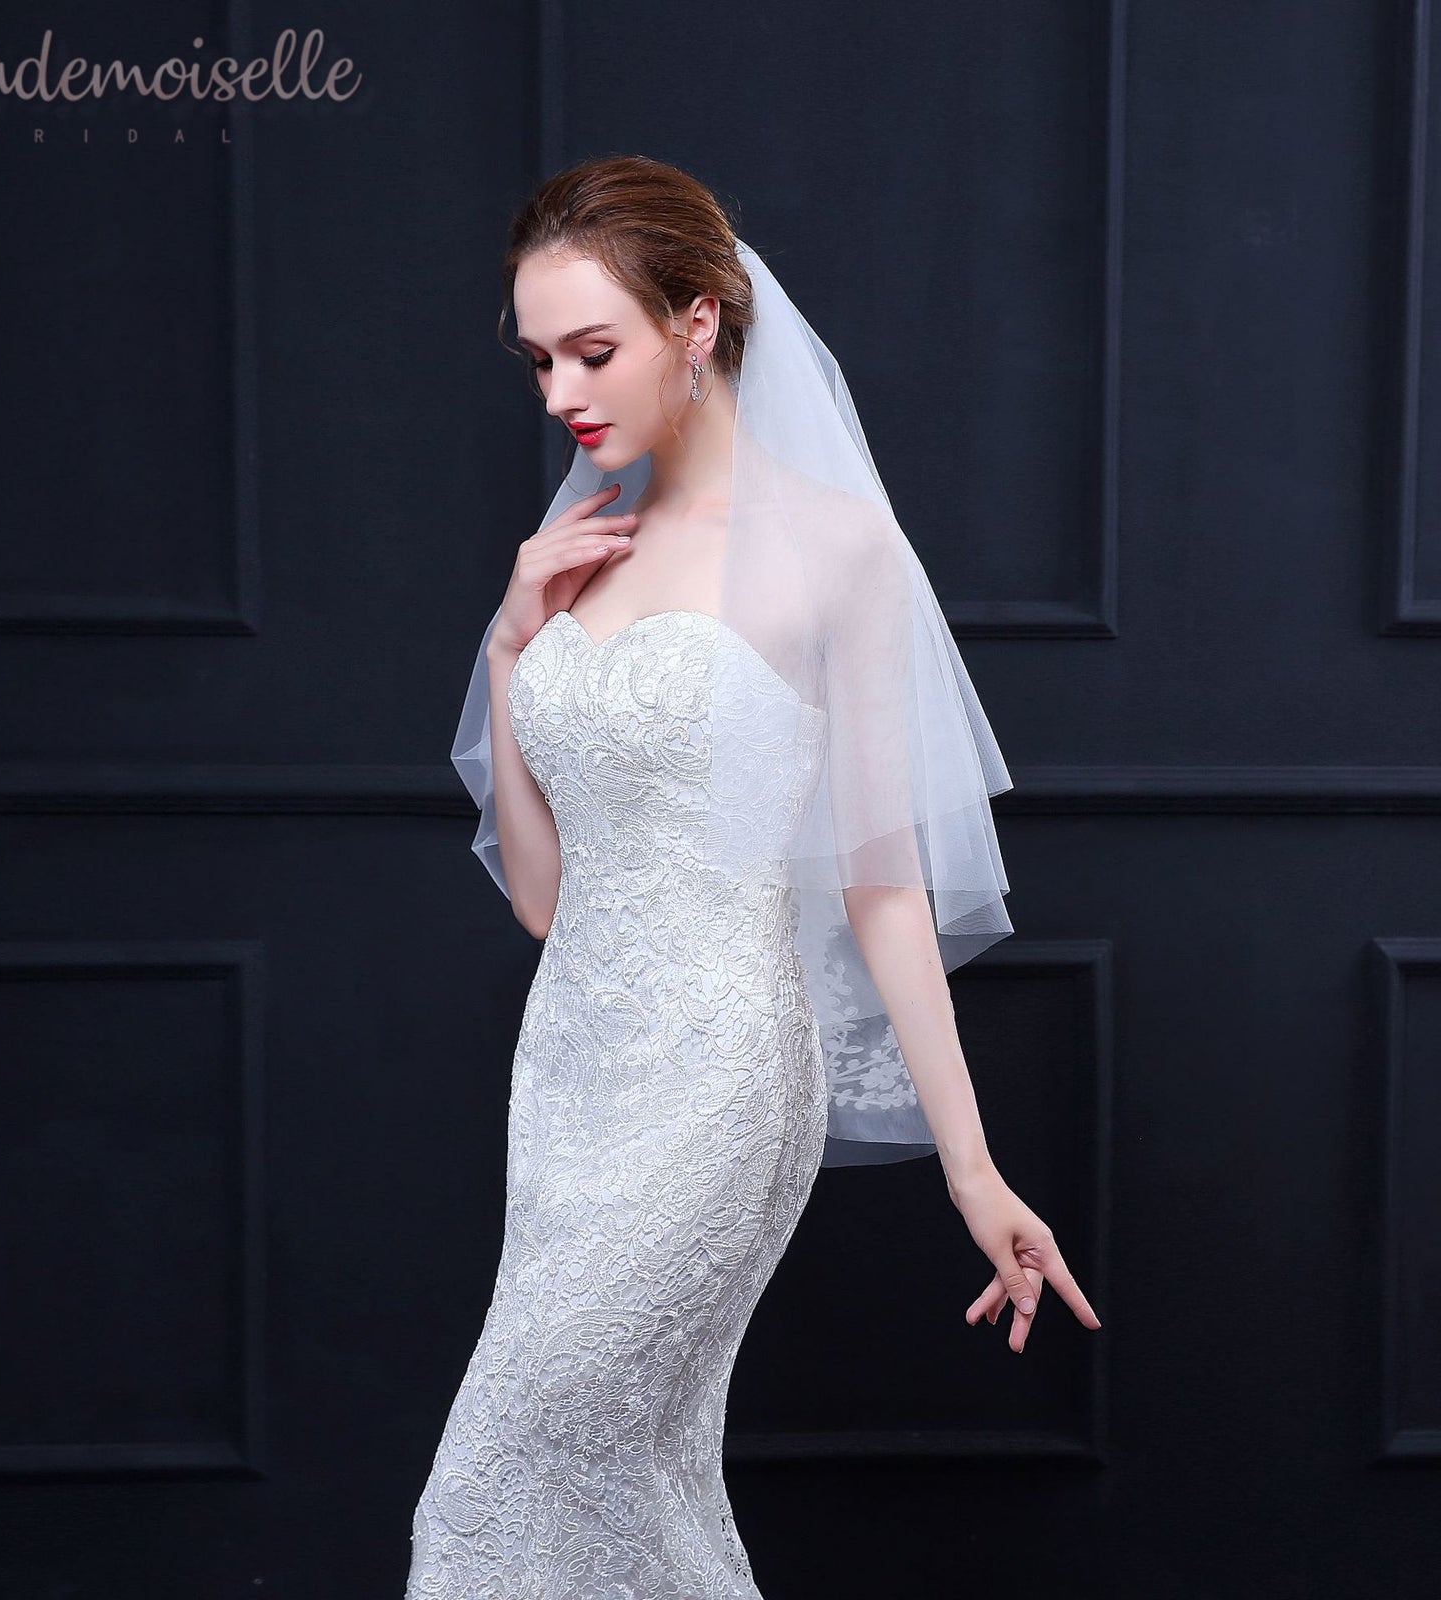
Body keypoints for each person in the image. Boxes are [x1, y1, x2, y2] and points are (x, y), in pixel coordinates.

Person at [408, 155, 1101, 1598]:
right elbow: (545, 900)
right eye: (538, 359)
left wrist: (971, 1171)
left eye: (592, 352)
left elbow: (885, 887)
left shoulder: (834, 550)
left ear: (701, 322)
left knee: (503, 1468)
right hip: (571, 1078)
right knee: (630, 1471)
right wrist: (508, 643)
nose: (559, 396)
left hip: (722, 1076)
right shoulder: (571, 551)